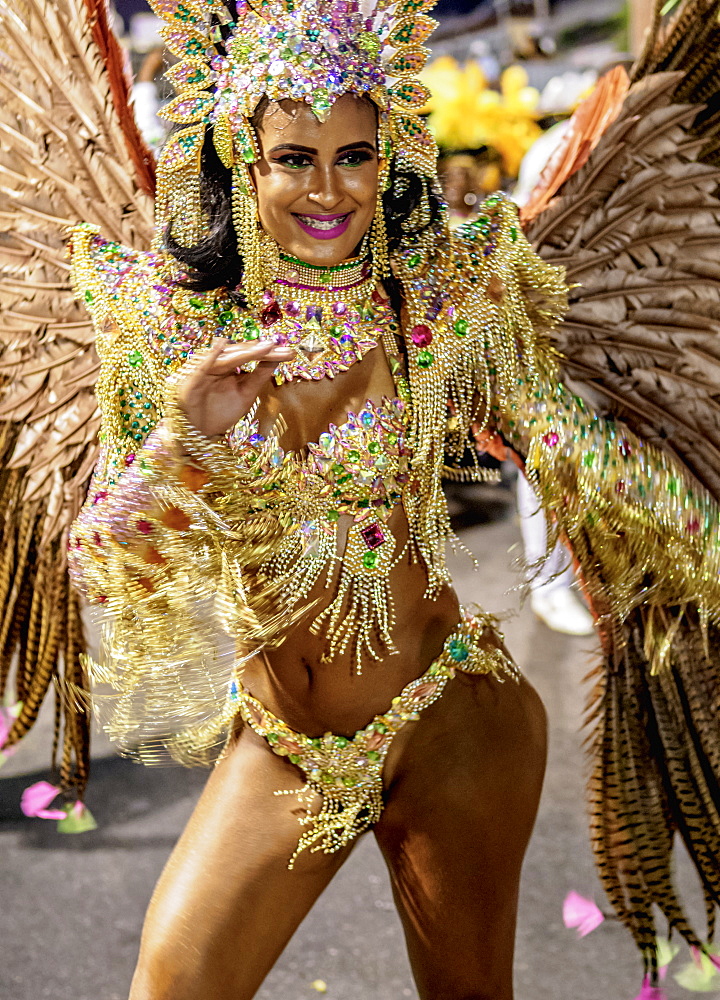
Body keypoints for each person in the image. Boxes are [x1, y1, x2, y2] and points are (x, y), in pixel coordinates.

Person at [3, 1, 720, 997]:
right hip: (290, 746)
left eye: (355, 154)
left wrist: (709, 545)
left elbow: (584, 456)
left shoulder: (437, 300)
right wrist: (185, 438)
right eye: (295, 157)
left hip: (454, 718)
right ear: (240, 158)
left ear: (391, 153)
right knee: (175, 981)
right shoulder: (174, 326)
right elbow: (105, 566)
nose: (328, 189)